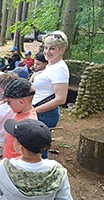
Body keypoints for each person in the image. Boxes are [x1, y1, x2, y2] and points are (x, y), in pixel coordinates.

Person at [0, 119, 73, 200]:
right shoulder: (57, 171)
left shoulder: (3, 168)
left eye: (15, 138)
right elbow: (64, 197)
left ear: (21, 148)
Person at [32, 30, 69, 159]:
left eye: (52, 48)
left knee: (38, 149)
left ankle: (40, 174)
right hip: (40, 112)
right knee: (34, 147)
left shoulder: (60, 69)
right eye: (46, 47)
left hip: (45, 114)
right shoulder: (51, 65)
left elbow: (60, 99)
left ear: (62, 50)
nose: (47, 51)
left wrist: (34, 110)